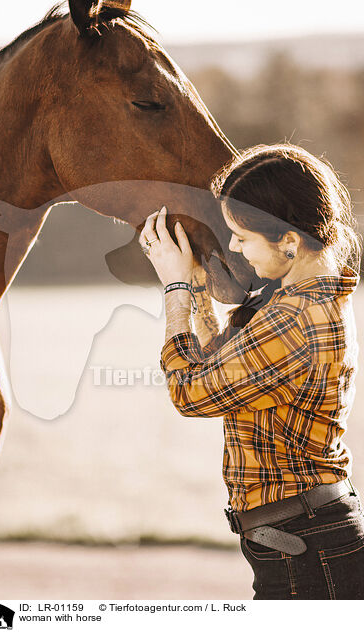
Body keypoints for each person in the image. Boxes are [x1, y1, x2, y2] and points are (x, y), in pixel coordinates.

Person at [138, 143, 364, 600]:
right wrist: (200, 289)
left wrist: (177, 289)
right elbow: (221, 362)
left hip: (305, 547)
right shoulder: (300, 298)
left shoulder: (294, 318)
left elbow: (191, 392)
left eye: (242, 236)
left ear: (289, 241)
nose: (236, 249)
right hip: (307, 538)